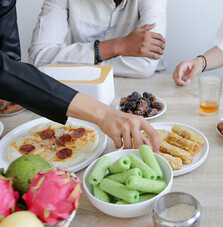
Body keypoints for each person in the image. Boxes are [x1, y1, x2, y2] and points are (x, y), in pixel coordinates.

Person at [0, 0, 159, 152]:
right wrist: (119, 46)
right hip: (74, 98)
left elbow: (10, 67)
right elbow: (35, 60)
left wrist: (73, 60)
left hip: (99, 96)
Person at [28, 0, 167, 78]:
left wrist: (72, 64)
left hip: (143, 85)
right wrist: (119, 45)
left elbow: (145, 66)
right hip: (82, 87)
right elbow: (39, 58)